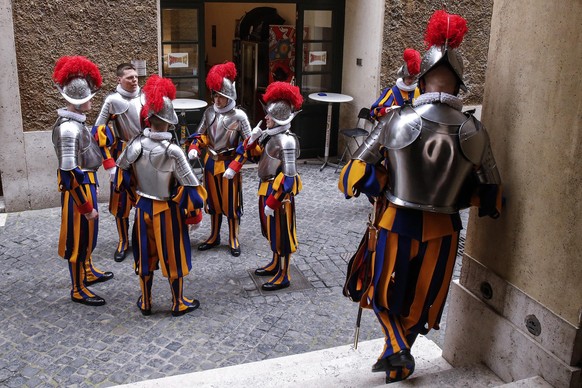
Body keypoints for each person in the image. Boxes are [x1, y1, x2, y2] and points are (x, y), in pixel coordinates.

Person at [339, 10, 502, 384]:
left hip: (395, 221)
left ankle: (396, 349)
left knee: (378, 287)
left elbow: (353, 174)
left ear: (423, 78)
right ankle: (399, 356)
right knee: (419, 298)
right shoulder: (474, 130)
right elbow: (491, 194)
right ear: (459, 83)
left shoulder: (398, 119)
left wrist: (378, 183)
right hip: (444, 228)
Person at [115, 75, 207, 317]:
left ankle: (146, 301)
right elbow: (191, 186)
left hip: (143, 208)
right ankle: (178, 303)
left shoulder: (135, 144)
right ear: (168, 122)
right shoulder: (173, 151)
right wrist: (195, 213)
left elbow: (120, 174)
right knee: (173, 256)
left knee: (145, 256)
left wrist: (134, 195)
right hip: (167, 211)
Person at [51, 56, 114, 306]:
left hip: (87, 183)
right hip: (79, 189)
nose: (91, 101)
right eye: (88, 98)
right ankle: (77, 288)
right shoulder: (68, 129)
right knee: (78, 239)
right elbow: (68, 174)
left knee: (89, 236)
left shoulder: (76, 123)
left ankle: (87, 271)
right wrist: (85, 207)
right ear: (78, 101)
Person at [187, 61, 251, 257]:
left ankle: (233, 237)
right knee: (213, 203)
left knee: (231, 204)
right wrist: (194, 147)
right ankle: (214, 236)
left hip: (228, 163)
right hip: (210, 162)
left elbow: (249, 144)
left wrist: (236, 165)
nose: (216, 98)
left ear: (229, 96)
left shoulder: (239, 116)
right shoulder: (209, 112)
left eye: (220, 95)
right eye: (214, 94)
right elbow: (199, 134)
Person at [243, 81, 303, 291]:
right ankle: (275, 263)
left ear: (279, 118)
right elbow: (252, 156)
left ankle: (284, 274)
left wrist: (273, 200)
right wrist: (252, 139)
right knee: (272, 232)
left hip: (279, 195)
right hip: (265, 187)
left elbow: (288, 179)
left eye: (269, 115)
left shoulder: (286, 141)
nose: (265, 118)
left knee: (283, 236)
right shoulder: (271, 136)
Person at [93, 63, 143, 262]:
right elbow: (98, 130)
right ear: (119, 79)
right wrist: (109, 163)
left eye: (136, 76)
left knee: (145, 198)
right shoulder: (112, 100)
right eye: (130, 77)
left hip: (145, 154)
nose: (134, 80)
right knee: (121, 202)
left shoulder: (145, 96)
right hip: (122, 156)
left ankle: (140, 238)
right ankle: (123, 241)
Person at [369, 48, 421, 121]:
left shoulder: (419, 92)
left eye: (413, 78)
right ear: (403, 76)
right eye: (409, 77)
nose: (410, 80)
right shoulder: (392, 92)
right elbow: (374, 111)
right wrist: (387, 110)